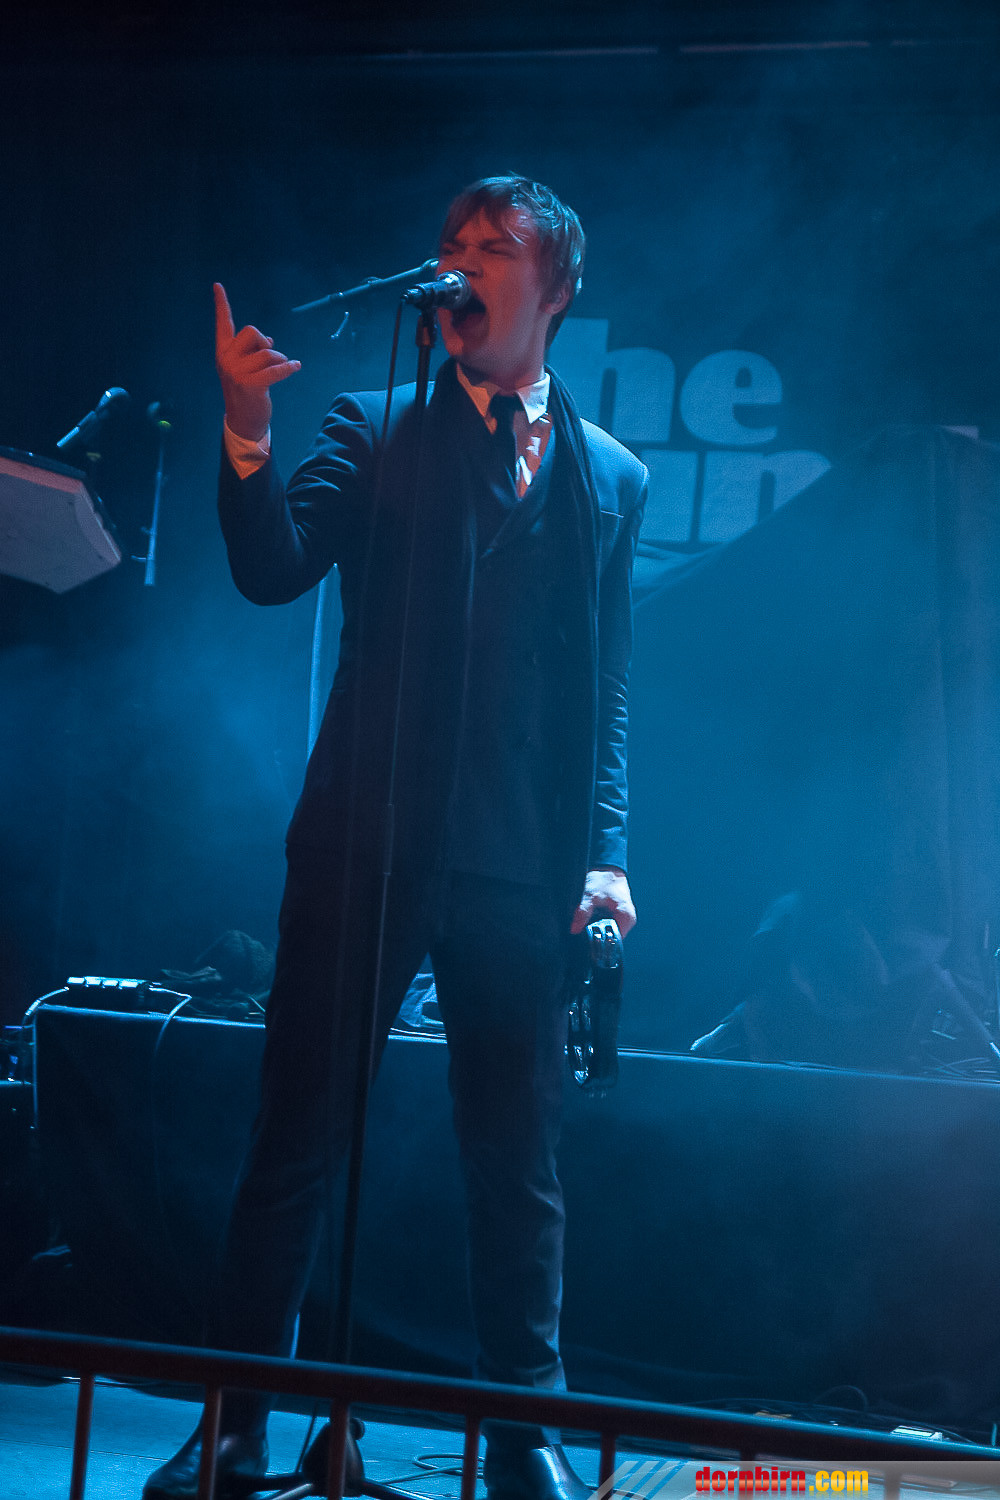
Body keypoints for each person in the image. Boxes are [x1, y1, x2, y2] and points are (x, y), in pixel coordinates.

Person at [143, 174, 646, 1500]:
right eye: (452, 245)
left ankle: (522, 1434)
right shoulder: (375, 427)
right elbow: (271, 571)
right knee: (297, 1136)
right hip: (363, 843)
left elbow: (606, 695)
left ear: (557, 289)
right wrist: (247, 429)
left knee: (516, 1159)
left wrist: (606, 856)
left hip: (520, 865)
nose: (463, 265)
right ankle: (237, 1422)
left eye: (496, 249)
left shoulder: (612, 477)